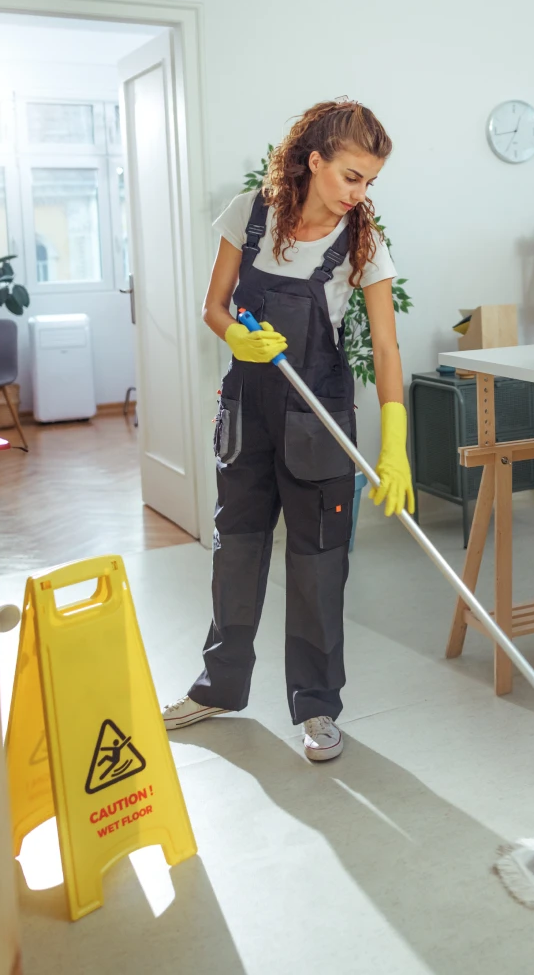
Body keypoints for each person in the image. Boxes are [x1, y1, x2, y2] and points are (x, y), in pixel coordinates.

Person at [161, 100, 413, 762]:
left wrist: (394, 440)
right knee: (236, 550)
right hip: (248, 410)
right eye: (351, 177)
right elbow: (214, 307)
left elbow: (386, 350)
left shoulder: (363, 241)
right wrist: (238, 338)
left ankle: (318, 708)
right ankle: (218, 688)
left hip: (320, 418)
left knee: (318, 567)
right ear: (314, 160)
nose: (360, 195)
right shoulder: (249, 213)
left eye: (370, 183)